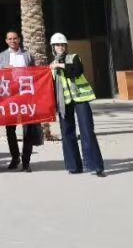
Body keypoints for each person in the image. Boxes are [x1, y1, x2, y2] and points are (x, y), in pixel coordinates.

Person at [50, 33, 105, 177]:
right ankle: (73, 166)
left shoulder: (73, 57)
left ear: (66, 46)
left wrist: (60, 65)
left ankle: (96, 166)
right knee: (67, 133)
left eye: (62, 45)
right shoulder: (51, 66)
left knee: (87, 130)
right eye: (57, 45)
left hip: (81, 98)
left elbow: (76, 70)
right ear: (53, 47)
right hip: (64, 102)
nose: (60, 47)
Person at [0, 30, 40, 172]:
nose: (13, 41)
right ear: (6, 41)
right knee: (10, 129)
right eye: (10, 39)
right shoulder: (1, 56)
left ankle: (26, 161)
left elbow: (36, 74)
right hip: (10, 96)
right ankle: (15, 157)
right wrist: (4, 69)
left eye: (15, 38)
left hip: (26, 96)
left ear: (19, 39)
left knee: (28, 129)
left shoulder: (27, 55)